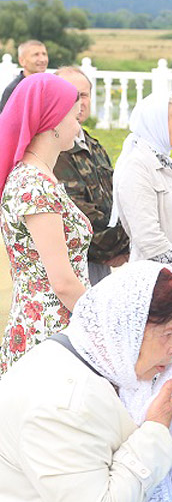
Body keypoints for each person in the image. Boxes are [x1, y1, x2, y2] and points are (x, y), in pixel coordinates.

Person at [0, 261, 172, 502]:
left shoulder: (91, 361)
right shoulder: (60, 404)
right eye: (168, 333)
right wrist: (154, 430)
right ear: (128, 327)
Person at [0, 73, 91, 373]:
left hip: (51, 323)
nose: (79, 126)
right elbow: (63, 282)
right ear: (52, 122)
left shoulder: (38, 177)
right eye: (73, 117)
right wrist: (101, 321)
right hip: (50, 331)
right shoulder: (34, 185)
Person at [54, 66, 130, 285]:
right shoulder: (55, 149)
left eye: (84, 95)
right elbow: (78, 215)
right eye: (71, 94)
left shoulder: (93, 145)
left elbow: (114, 201)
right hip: (73, 265)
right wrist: (120, 248)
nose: (79, 102)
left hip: (102, 263)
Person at [112, 92, 172, 274]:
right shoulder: (136, 167)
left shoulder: (166, 162)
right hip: (157, 280)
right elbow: (147, 237)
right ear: (159, 126)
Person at [0, 40, 49, 112]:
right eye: (36, 54)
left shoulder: (50, 85)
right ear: (22, 61)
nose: (42, 59)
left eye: (44, 54)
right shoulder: (14, 89)